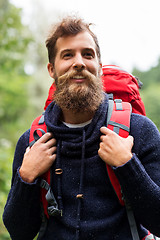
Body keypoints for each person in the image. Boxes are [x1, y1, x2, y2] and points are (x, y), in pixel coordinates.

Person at [3, 16, 160, 240]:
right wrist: (26, 177)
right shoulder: (33, 142)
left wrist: (127, 165)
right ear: (51, 69)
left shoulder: (138, 131)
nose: (79, 62)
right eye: (68, 55)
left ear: (99, 68)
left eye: (88, 54)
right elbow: (19, 232)